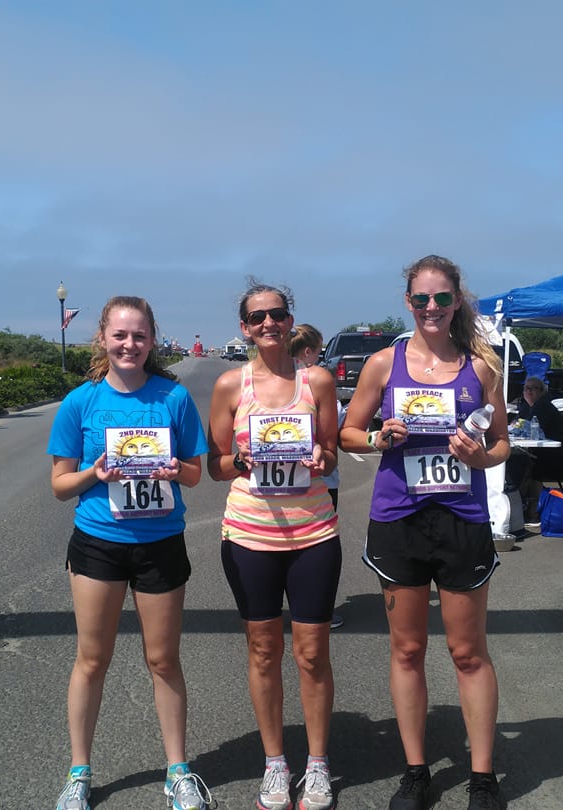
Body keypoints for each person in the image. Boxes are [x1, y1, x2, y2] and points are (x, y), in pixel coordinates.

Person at [340, 255, 509, 810]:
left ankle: (482, 778)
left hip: (461, 520)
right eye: (420, 299)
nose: (431, 308)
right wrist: (379, 439)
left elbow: (502, 444)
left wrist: (479, 457)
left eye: (441, 298)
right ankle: (416, 771)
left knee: (467, 652)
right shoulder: (383, 364)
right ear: (407, 303)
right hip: (400, 519)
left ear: (457, 300)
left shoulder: (481, 366)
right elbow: (348, 433)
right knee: (408, 648)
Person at [46, 296, 214, 810]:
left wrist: (173, 473)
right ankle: (79, 772)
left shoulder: (174, 398)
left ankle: (178, 770)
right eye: (119, 335)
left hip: (159, 544)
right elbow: (58, 485)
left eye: (139, 336)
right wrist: (94, 474)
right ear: (102, 338)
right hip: (98, 543)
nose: (129, 345)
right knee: (92, 660)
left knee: (163, 660)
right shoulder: (81, 402)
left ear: (152, 341)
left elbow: (195, 471)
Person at [209, 283, 341, 810]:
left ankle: (316, 763)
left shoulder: (319, 382)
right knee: (264, 651)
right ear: (244, 327)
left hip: (313, 534)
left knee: (312, 654)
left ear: (291, 321)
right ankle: (274, 764)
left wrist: (320, 459)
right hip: (249, 534)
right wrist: (244, 460)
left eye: (277, 314)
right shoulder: (228, 385)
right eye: (257, 316)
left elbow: (331, 452)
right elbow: (216, 465)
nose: (268, 323)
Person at [291, 323, 347, 630]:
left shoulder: (276, 386)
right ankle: (318, 609)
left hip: (284, 481)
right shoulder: (323, 388)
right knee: (317, 548)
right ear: (310, 352)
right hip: (323, 480)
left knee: (286, 543)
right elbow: (337, 430)